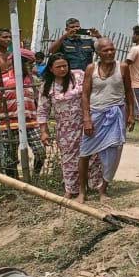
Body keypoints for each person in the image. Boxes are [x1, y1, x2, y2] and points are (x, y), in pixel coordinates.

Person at [37, 55, 102, 198]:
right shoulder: (47, 86)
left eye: (65, 66)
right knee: (69, 159)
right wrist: (44, 131)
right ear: (51, 69)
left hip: (87, 123)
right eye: (58, 67)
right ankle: (72, 189)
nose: (62, 69)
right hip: (66, 129)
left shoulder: (78, 76)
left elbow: (94, 91)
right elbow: (43, 110)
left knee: (93, 155)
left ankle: (96, 187)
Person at [79, 38, 135, 202]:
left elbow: (129, 93)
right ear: (98, 53)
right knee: (84, 153)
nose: (110, 53)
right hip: (96, 115)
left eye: (112, 49)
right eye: (105, 50)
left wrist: (131, 114)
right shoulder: (91, 69)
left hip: (116, 114)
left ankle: (103, 190)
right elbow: (85, 95)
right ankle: (82, 192)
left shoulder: (123, 67)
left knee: (113, 154)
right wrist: (87, 118)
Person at [0, 49, 47, 178]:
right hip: (9, 123)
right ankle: (14, 182)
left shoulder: (33, 80)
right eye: (29, 63)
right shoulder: (4, 79)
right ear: (20, 62)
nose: (31, 66)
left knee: (40, 152)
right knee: (9, 157)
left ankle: (35, 177)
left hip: (31, 122)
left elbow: (39, 100)